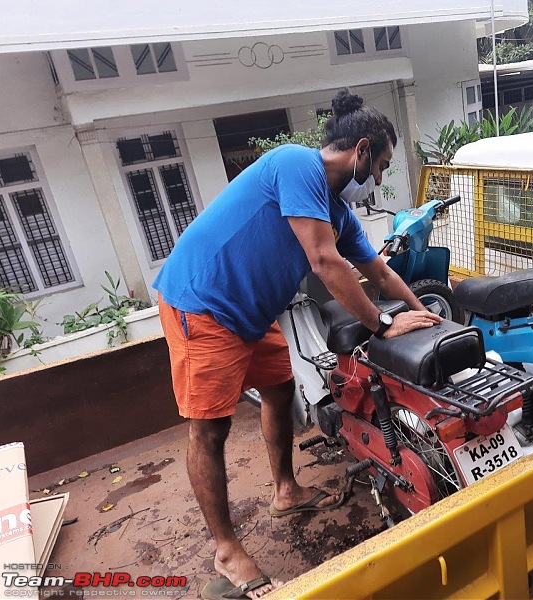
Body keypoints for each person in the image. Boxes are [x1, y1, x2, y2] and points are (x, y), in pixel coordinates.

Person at [153, 89, 441, 599]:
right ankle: (226, 551)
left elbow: (376, 268)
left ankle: (285, 491)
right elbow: (326, 263)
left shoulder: (336, 209)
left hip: (249, 312)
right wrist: (381, 326)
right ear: (360, 149)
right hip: (202, 302)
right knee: (209, 430)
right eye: (380, 166)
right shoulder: (295, 164)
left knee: (280, 388)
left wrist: (423, 314)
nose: (378, 179)